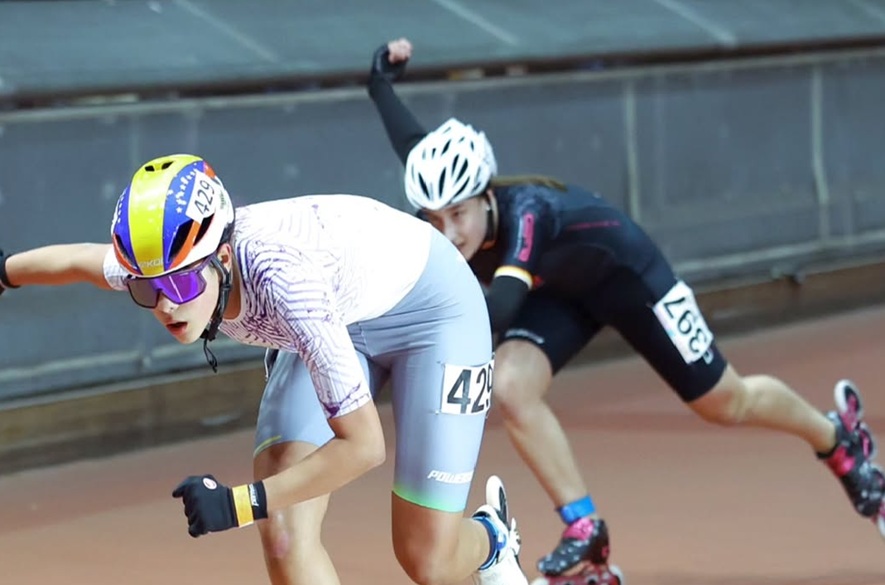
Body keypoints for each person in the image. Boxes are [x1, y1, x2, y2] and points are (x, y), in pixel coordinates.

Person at [365, 38, 885, 585]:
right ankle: (584, 531)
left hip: (628, 277)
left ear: (485, 196)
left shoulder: (527, 217)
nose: (447, 232)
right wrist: (379, 82)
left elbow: (497, 311)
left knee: (725, 402)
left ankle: (837, 441)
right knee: (511, 384)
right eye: (432, 218)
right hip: (563, 291)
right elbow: (410, 140)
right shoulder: (450, 196)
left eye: (457, 215)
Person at [0, 153, 531, 585]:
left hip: (433, 312)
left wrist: (237, 504)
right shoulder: (165, 260)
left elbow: (364, 447)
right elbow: (80, 262)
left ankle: (492, 537)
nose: (165, 305)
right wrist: (4, 273)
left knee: (427, 562)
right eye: (146, 288)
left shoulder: (283, 283)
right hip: (338, 313)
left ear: (223, 258)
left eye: (182, 285)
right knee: (282, 531)